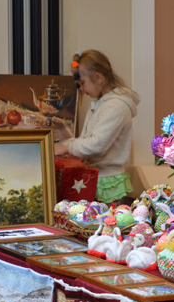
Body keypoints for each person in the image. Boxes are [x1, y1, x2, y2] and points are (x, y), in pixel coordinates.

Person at [55, 50, 140, 204]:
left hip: (107, 181)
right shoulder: (100, 104)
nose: (81, 89)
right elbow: (87, 139)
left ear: (99, 78)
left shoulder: (116, 107)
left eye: (83, 83)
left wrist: (66, 147)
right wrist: (65, 146)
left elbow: (96, 144)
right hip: (96, 177)